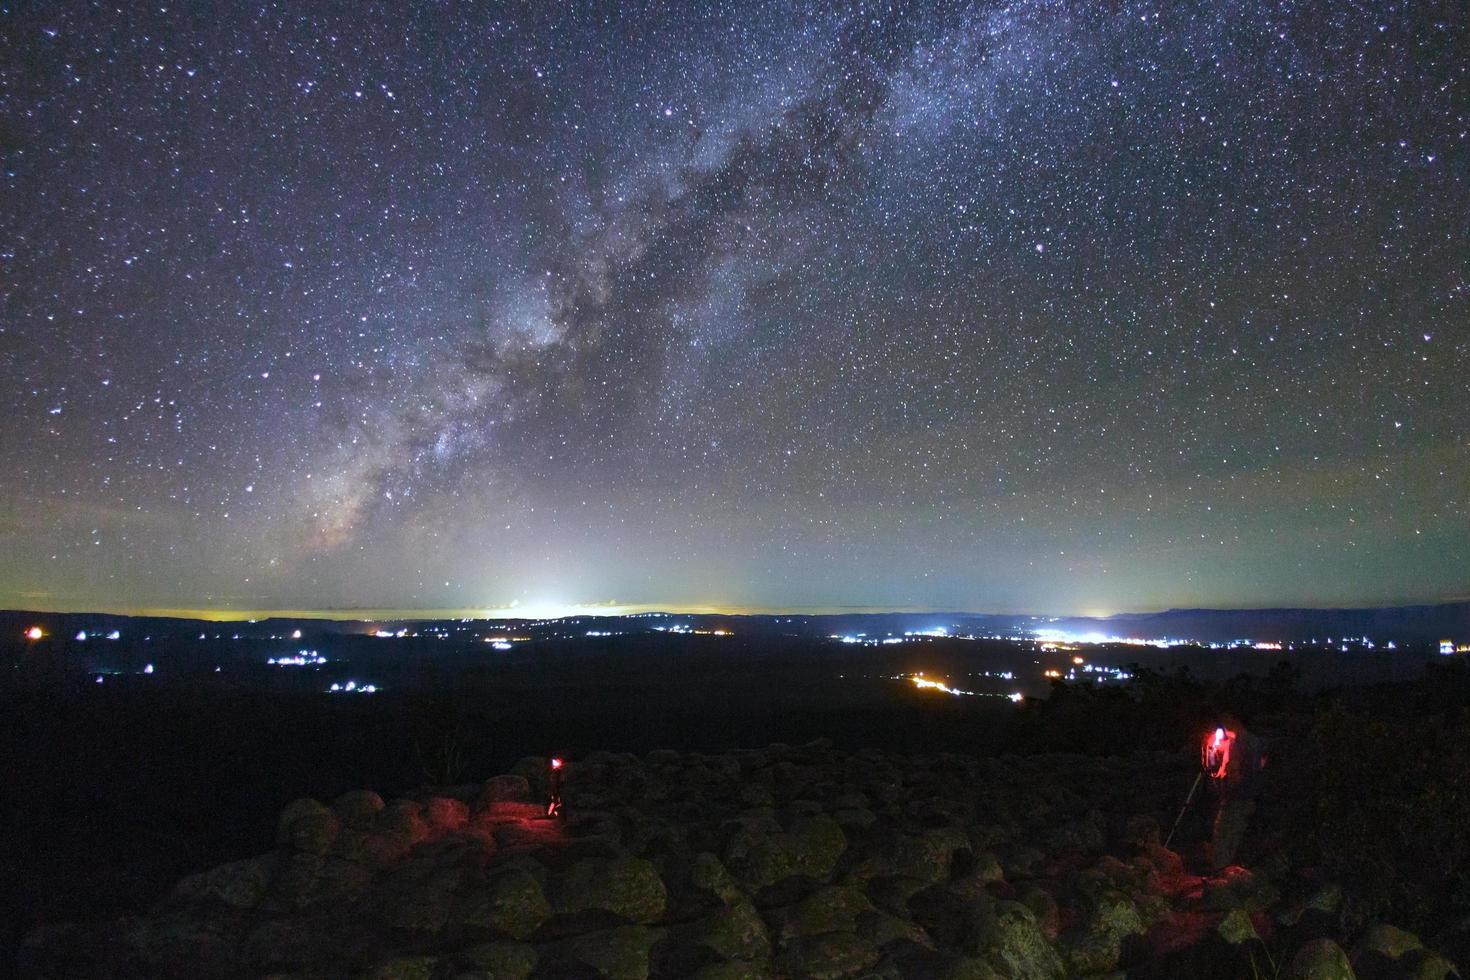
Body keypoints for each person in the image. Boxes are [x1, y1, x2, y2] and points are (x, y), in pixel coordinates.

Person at [1207, 714, 1266, 870]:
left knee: (1223, 837)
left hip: (1235, 799)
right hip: (1250, 797)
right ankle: (1231, 873)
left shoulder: (1237, 743)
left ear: (1233, 720)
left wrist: (1226, 791)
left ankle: (1219, 875)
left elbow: (1234, 772)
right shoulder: (1256, 741)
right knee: (1236, 837)